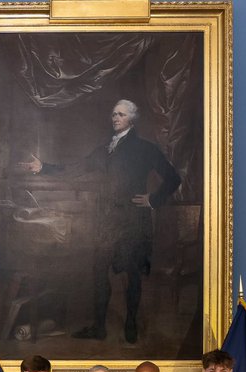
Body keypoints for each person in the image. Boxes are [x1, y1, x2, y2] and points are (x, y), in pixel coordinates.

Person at [21, 99, 181, 344]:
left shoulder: (146, 149)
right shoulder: (105, 148)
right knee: (99, 272)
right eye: (113, 114)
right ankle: (99, 327)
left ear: (132, 119)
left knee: (132, 275)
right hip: (106, 221)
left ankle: (130, 325)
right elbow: (77, 168)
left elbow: (172, 178)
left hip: (132, 220)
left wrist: (153, 199)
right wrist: (44, 167)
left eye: (121, 114)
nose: (115, 118)